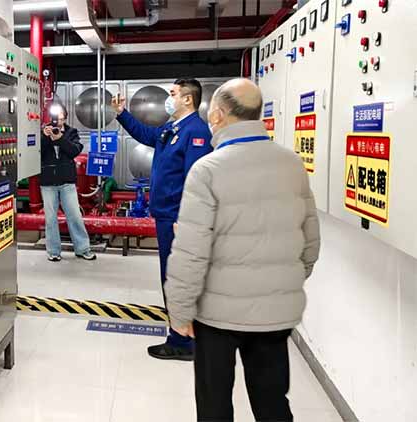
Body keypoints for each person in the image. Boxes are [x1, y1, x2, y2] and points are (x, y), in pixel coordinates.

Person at [165, 78, 321, 422]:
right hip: (275, 313)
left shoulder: (208, 170)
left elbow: (191, 253)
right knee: (272, 402)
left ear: (218, 115)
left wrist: (180, 311)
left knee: (215, 403)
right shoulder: (291, 163)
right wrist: (284, 283)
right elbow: (310, 241)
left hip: (216, 316)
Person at [112, 79, 213, 361]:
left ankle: (182, 342)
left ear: (188, 99)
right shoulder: (173, 128)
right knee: (171, 276)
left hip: (178, 218)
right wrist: (122, 114)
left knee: (177, 278)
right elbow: (146, 135)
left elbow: (196, 180)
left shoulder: (196, 132)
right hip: (166, 215)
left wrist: (187, 218)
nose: (169, 99)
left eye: (173, 94)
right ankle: (183, 335)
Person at [40, 105, 96, 262]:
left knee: (75, 216)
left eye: (60, 118)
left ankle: (83, 249)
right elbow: (37, 152)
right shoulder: (43, 132)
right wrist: (45, 137)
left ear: (65, 118)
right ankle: (53, 251)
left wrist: (60, 139)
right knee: (50, 218)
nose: (57, 121)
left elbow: (74, 151)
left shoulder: (72, 133)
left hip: (67, 182)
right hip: (48, 182)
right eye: (55, 118)